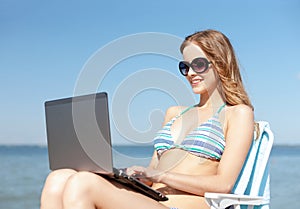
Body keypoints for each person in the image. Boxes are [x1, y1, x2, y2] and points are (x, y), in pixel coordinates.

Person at [40, 29, 254, 209]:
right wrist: (135, 176)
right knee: (58, 178)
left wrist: (160, 176)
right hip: (152, 199)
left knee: (83, 183)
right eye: (184, 67)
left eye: (198, 64)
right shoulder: (174, 113)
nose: (190, 73)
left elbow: (223, 185)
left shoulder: (238, 113)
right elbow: (153, 173)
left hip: (182, 205)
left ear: (220, 63)